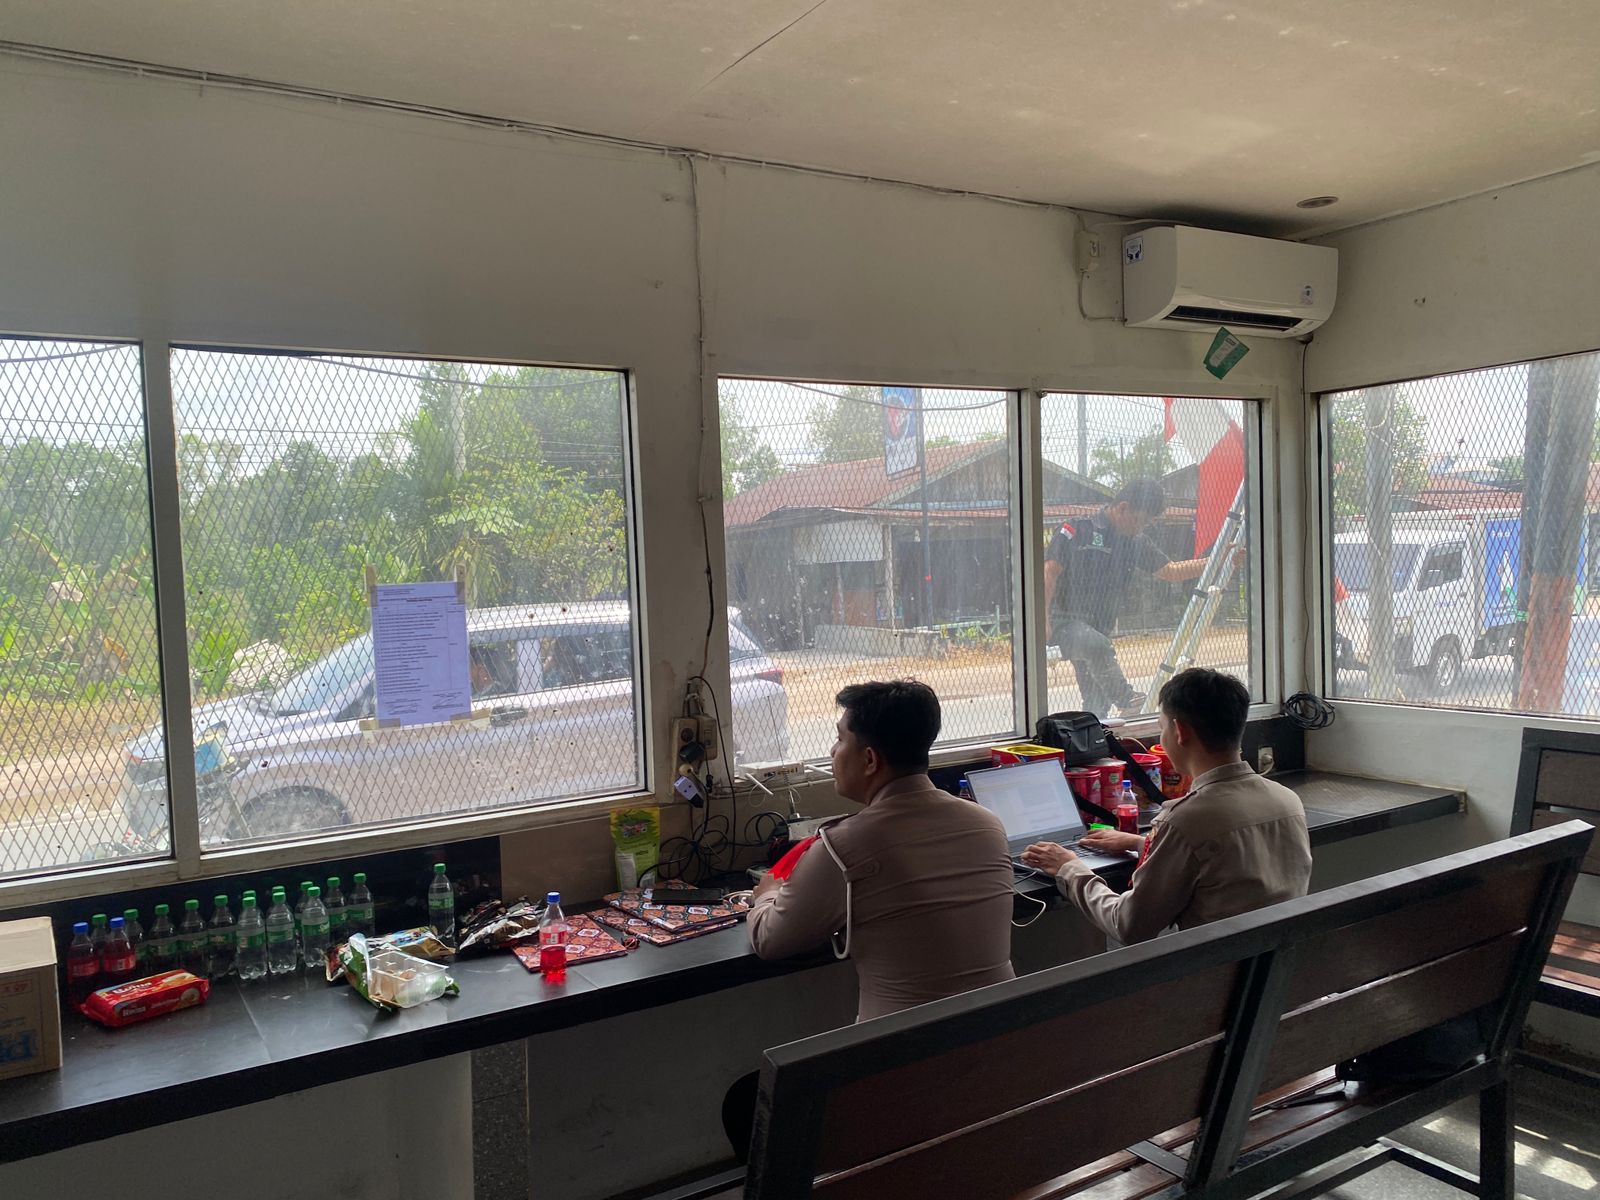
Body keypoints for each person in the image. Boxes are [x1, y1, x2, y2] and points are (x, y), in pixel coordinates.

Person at [726, 680, 1016, 1161]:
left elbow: (771, 940)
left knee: (745, 1102)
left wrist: (766, 894)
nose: (832, 750)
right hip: (1001, 1059)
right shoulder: (986, 823)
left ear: (868, 760)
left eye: (840, 738)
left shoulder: (845, 845)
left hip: (900, 1077)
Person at [1021, 667, 1311, 944]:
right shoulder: (1287, 800)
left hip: (1206, 973)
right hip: (1270, 965)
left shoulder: (1184, 821)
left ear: (1180, 731)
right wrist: (1141, 843)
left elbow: (1128, 925)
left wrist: (1070, 868)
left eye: (1162, 727)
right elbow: (1222, 861)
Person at [1044, 479, 1220, 717]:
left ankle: (1095, 731)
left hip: (1099, 628)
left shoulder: (1136, 542)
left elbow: (1172, 571)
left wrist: (1217, 560)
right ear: (1123, 508)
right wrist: (1043, 620)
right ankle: (1128, 699)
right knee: (1097, 646)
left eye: (1147, 524)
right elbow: (1049, 571)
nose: (1141, 528)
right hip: (1062, 622)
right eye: (1141, 521)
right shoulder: (1077, 529)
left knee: (1097, 701)